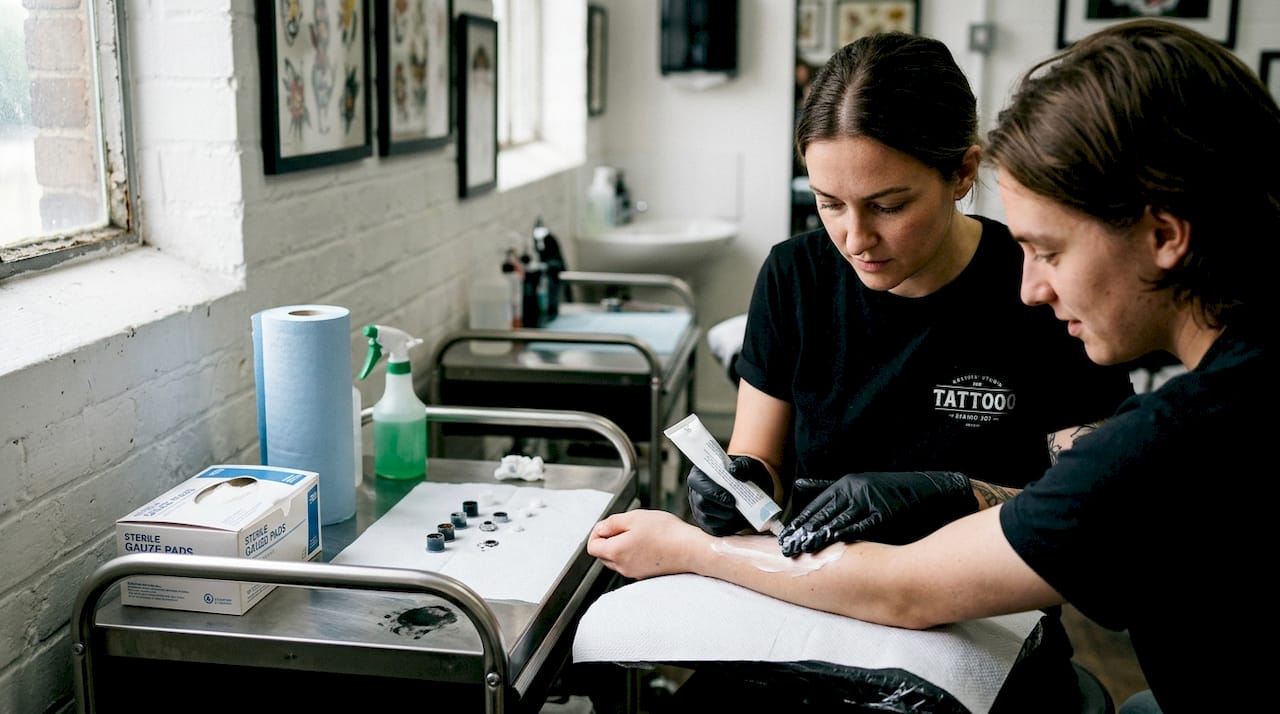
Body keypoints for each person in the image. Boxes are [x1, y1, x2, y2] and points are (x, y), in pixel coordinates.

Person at [593, 18, 1275, 713]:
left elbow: (913, 584)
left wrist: (685, 548)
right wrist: (744, 486)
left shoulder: (1176, 437)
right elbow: (1101, 516)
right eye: (830, 205)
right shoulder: (1227, 392)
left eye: (1050, 251)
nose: (1032, 285)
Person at [684, 30, 1135, 712]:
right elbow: (761, 460)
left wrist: (958, 493)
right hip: (817, 608)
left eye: (888, 206)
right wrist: (738, 484)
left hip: (986, 624)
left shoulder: (1042, 287)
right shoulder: (795, 276)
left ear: (961, 173)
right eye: (829, 203)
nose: (855, 239)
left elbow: (1100, 519)